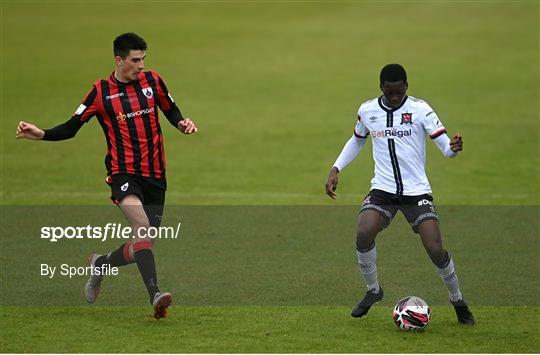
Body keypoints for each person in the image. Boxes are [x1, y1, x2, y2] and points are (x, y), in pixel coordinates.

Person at [16, 32, 197, 319]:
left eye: (143, 60)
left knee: (145, 241)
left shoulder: (153, 81)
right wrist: (42, 135)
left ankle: (101, 264)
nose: (141, 66)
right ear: (119, 60)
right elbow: (72, 126)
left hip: (155, 175)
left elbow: (169, 107)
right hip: (122, 173)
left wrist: (181, 123)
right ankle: (155, 295)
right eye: (135, 60)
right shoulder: (100, 92)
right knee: (142, 227)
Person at [325, 64, 474, 325]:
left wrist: (454, 148)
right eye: (388, 92)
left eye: (398, 92)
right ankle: (373, 291)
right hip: (383, 189)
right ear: (381, 88)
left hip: (416, 192)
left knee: (435, 248)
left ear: (407, 86)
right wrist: (336, 168)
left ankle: (457, 298)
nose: (394, 97)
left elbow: (446, 148)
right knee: (363, 232)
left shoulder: (421, 109)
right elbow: (358, 139)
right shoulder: (367, 110)